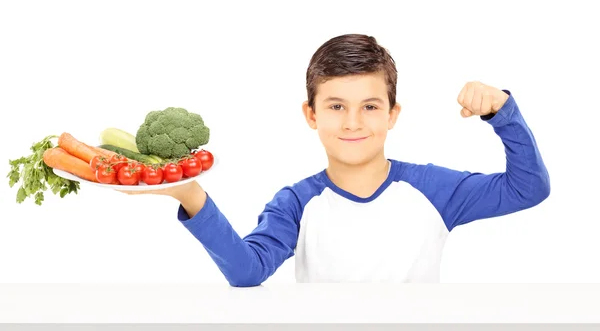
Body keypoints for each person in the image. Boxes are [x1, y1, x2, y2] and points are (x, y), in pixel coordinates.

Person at [124, 34, 551, 286]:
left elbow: (528, 188)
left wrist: (503, 113)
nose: (352, 122)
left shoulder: (434, 190)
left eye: (369, 106)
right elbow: (246, 271)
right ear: (311, 114)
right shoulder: (295, 203)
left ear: (392, 114)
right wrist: (191, 193)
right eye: (335, 107)